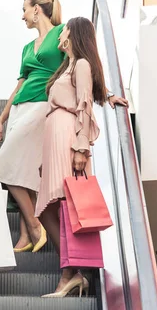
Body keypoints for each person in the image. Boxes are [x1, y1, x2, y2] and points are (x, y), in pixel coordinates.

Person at [0, 0, 127, 253]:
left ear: (36, 10)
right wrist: (1, 117)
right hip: (21, 106)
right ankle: (27, 235)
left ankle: (34, 225)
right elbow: (19, 84)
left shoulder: (60, 35)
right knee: (23, 168)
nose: (22, 15)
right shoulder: (26, 48)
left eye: (24, 9)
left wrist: (107, 94)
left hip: (44, 105)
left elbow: (84, 63)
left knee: (5, 162)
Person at [37, 17, 107, 297]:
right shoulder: (68, 65)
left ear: (73, 34)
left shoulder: (81, 64)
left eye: (64, 29)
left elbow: (85, 103)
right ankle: (72, 271)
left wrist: (81, 146)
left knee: (66, 205)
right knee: (47, 208)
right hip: (54, 139)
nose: (59, 33)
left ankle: (69, 274)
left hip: (69, 138)